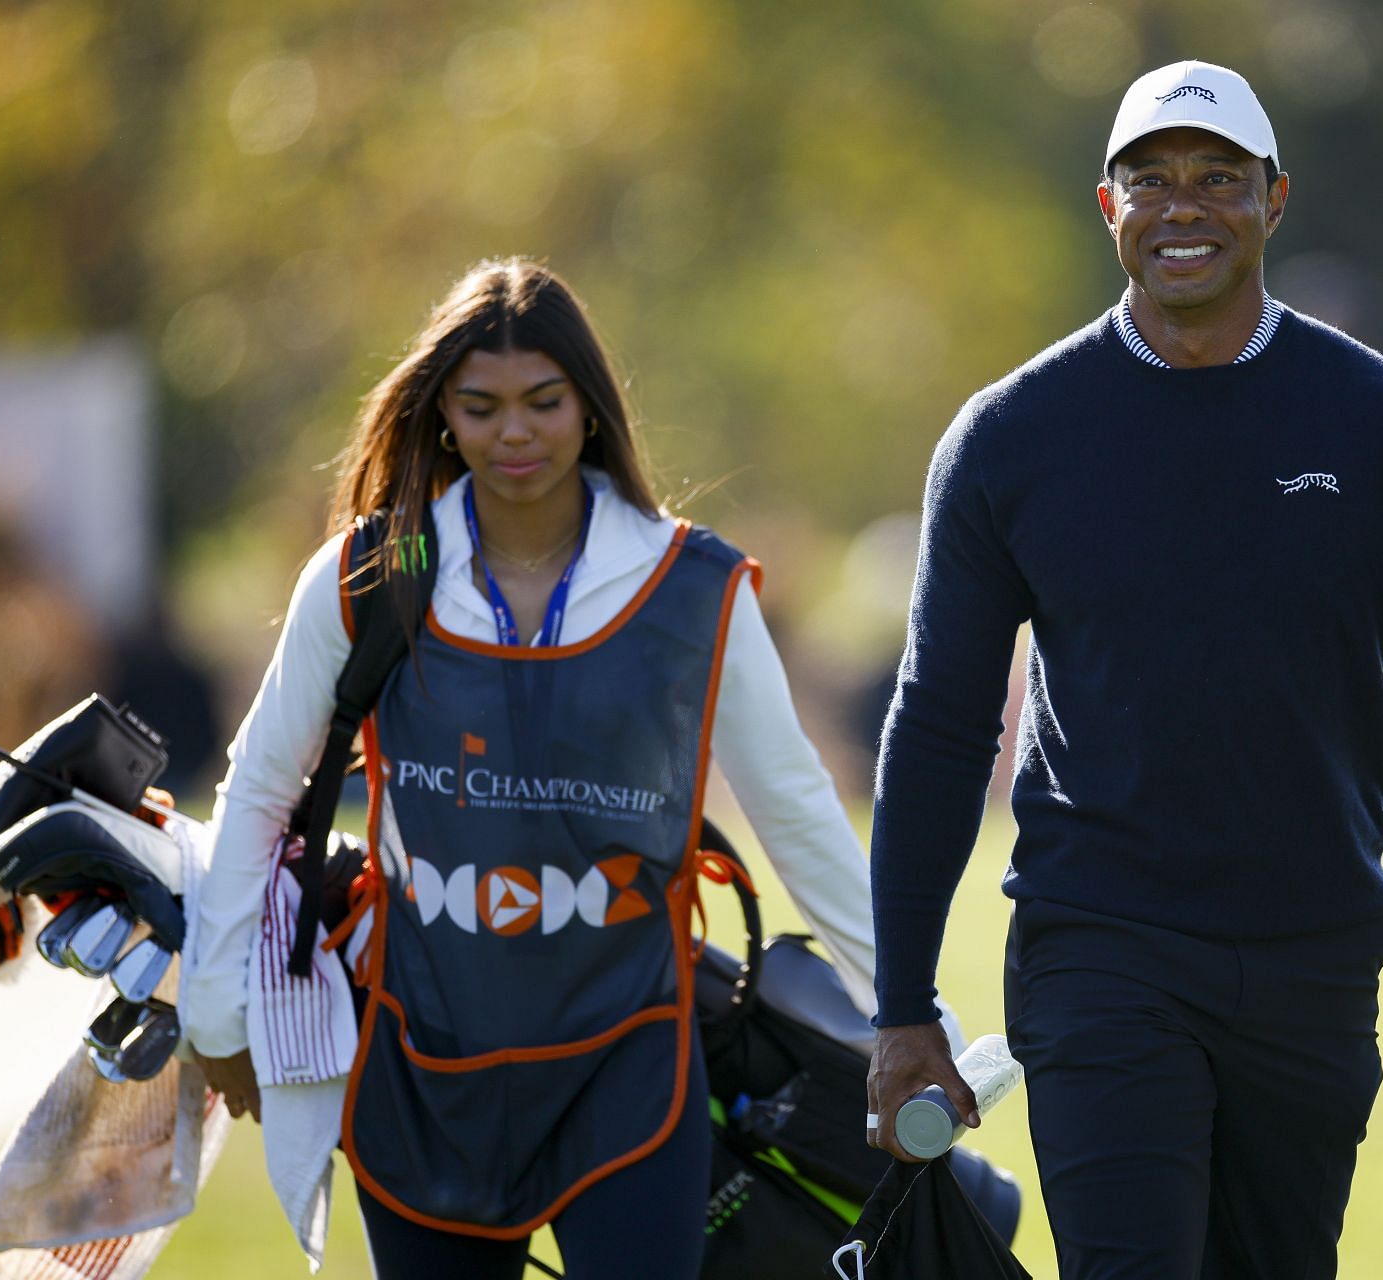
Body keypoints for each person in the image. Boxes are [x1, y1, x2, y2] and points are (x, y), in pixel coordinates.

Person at [866, 61, 1383, 1279]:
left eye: (1218, 178)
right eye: (1149, 181)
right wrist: (901, 1005)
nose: (1183, 206)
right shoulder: (1011, 438)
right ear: (1108, 208)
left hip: (1313, 949)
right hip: (1098, 938)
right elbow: (939, 724)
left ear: (1275, 199)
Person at [186, 258, 879, 1279]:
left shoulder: (688, 586)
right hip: (423, 1071)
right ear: (442, 416)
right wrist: (212, 1007)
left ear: (590, 407)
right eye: (482, 406)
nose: (516, 432)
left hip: (629, 1068)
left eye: (544, 402)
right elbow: (259, 791)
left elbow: (796, 811)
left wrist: (906, 1008)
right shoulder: (371, 575)